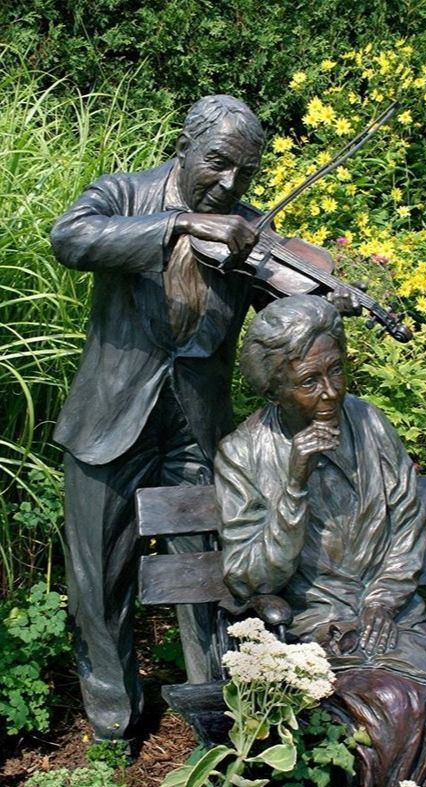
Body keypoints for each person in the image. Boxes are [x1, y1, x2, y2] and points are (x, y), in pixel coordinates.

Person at [214, 294, 426, 787]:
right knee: (395, 705)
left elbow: (406, 523)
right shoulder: (244, 453)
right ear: (276, 386)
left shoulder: (370, 422)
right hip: (312, 629)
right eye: (309, 381)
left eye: (336, 371)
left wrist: (383, 599)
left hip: (397, 617)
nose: (329, 392)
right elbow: (249, 577)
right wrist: (294, 485)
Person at [50, 94, 266, 750]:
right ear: (185, 146)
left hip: (195, 431)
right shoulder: (122, 193)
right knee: (98, 582)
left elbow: (286, 311)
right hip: (110, 420)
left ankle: (215, 726)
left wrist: (325, 303)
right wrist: (177, 226)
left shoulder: (249, 229)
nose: (228, 186)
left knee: (205, 577)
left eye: (244, 175)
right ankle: (115, 731)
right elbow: (71, 237)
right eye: (218, 164)